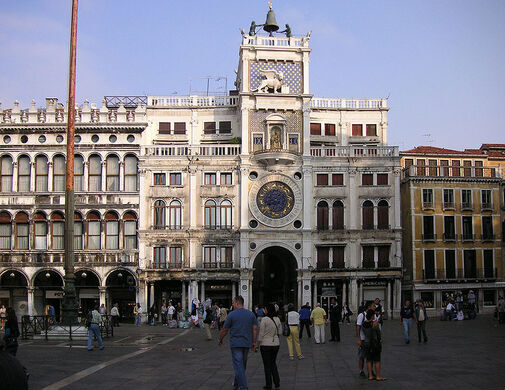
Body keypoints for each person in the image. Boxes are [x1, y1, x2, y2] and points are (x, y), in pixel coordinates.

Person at [218, 296, 258, 390]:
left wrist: (220, 339)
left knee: (239, 365)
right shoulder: (251, 314)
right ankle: (236, 383)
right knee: (242, 365)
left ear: (236, 303)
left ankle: (244, 387)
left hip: (236, 343)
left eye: (233, 303)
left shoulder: (232, 315)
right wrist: (253, 342)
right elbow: (255, 329)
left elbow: (224, 329)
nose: (232, 304)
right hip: (246, 343)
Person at [257, 303, 281, 390]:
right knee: (273, 363)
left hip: (265, 345)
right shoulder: (277, 319)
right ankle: (277, 382)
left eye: (265, 309)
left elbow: (261, 334)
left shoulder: (264, 319)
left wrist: (257, 344)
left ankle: (269, 384)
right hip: (276, 344)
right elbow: (280, 332)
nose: (264, 310)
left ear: (267, 310)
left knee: (267, 365)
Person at [362, 309, 386, 381]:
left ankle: (370, 376)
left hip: (366, 343)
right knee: (377, 360)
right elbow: (379, 334)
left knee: (369, 360)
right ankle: (378, 376)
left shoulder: (364, 324)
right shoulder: (374, 324)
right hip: (374, 344)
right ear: (372, 316)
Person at [356, 301, 376, 378]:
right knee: (362, 355)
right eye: (373, 306)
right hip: (363, 338)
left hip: (370, 339)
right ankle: (361, 370)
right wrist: (359, 339)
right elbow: (358, 327)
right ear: (369, 307)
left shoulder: (373, 315)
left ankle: (370, 370)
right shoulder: (361, 315)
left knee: (370, 356)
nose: (375, 307)